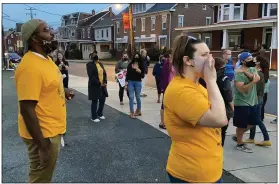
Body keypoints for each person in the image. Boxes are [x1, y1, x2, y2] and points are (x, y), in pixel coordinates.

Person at [15, 19, 75, 183]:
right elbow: (26, 109)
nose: (52, 33)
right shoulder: (30, 67)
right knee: (40, 178)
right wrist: (42, 146)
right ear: (34, 38)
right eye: (46, 30)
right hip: (42, 134)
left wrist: (64, 91)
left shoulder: (46, 60)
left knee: (45, 176)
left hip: (51, 129)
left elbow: (47, 87)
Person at [164, 35, 228, 183]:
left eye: (210, 53)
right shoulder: (181, 91)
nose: (211, 59)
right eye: (204, 55)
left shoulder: (196, 85)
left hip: (208, 171)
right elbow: (220, 119)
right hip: (193, 175)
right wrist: (211, 80)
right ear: (188, 61)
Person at [232, 52, 260, 153]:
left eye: (251, 58)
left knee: (253, 122)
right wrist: (253, 82)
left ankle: (237, 136)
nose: (251, 60)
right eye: (248, 59)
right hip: (242, 102)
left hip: (253, 101)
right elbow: (242, 89)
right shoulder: (238, 73)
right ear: (243, 61)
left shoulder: (251, 69)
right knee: (241, 125)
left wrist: (245, 72)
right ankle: (239, 144)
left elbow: (257, 78)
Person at [243, 55, 271, 146]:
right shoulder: (260, 73)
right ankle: (251, 137)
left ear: (258, 63)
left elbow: (254, 88)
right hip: (258, 99)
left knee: (256, 120)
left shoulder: (258, 74)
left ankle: (266, 139)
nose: (252, 61)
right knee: (252, 119)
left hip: (255, 99)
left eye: (254, 60)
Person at [215, 57, 234, 146]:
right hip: (224, 108)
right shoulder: (224, 79)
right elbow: (228, 96)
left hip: (210, 107)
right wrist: (232, 107)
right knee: (222, 131)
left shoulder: (206, 77)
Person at [86, 53, 108, 122]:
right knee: (95, 100)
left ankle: (99, 113)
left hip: (102, 85)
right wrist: (99, 83)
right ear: (91, 58)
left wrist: (104, 82)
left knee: (102, 99)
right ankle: (94, 116)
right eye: (93, 56)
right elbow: (91, 76)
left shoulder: (100, 64)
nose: (95, 56)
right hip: (94, 85)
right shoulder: (89, 65)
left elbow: (104, 73)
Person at [125, 53, 145, 119]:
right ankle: (131, 112)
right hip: (130, 82)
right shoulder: (130, 65)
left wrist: (138, 69)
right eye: (135, 56)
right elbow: (127, 75)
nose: (136, 58)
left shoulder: (141, 65)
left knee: (138, 97)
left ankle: (138, 110)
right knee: (131, 97)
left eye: (137, 57)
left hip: (138, 82)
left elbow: (143, 75)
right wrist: (126, 84)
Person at [159, 53, 174, 129]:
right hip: (168, 87)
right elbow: (164, 76)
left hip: (175, 87)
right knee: (164, 104)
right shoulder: (167, 63)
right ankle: (162, 122)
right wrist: (163, 87)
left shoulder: (176, 63)